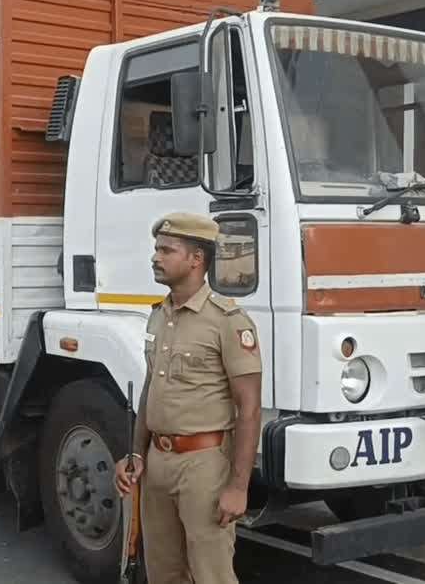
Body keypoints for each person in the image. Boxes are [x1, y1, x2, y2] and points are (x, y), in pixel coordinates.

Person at [112, 211, 263, 584]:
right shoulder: (158, 315)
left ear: (196, 259)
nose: (155, 257)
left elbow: (249, 409)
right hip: (158, 464)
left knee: (211, 575)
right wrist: (136, 452)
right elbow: (151, 389)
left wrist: (238, 487)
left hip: (204, 466)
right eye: (156, 249)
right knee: (164, 573)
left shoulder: (227, 321)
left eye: (166, 250)